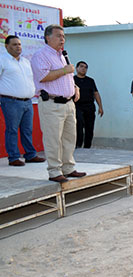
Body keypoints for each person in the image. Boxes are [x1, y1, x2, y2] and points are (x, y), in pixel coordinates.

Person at [31, 25, 85, 183]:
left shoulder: (62, 55)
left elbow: (66, 76)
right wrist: (65, 70)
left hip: (68, 103)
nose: (62, 39)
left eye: (64, 36)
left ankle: (68, 167)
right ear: (47, 37)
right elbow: (43, 76)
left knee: (69, 138)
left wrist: (75, 87)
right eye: (58, 36)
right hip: (52, 103)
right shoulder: (40, 55)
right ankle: (54, 171)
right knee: (53, 139)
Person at [0, 35, 45, 166]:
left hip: (28, 101)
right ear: (6, 46)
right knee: (12, 130)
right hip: (10, 101)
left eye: (19, 44)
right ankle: (13, 157)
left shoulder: (26, 62)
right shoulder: (2, 60)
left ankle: (30, 155)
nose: (18, 47)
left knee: (27, 130)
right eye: (14, 44)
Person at [73, 61, 104, 148]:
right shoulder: (72, 80)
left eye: (85, 67)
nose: (83, 69)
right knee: (78, 125)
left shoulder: (90, 81)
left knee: (89, 128)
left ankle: (87, 146)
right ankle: (78, 145)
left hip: (89, 107)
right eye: (81, 66)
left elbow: (96, 93)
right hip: (77, 106)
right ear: (77, 68)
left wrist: (100, 107)